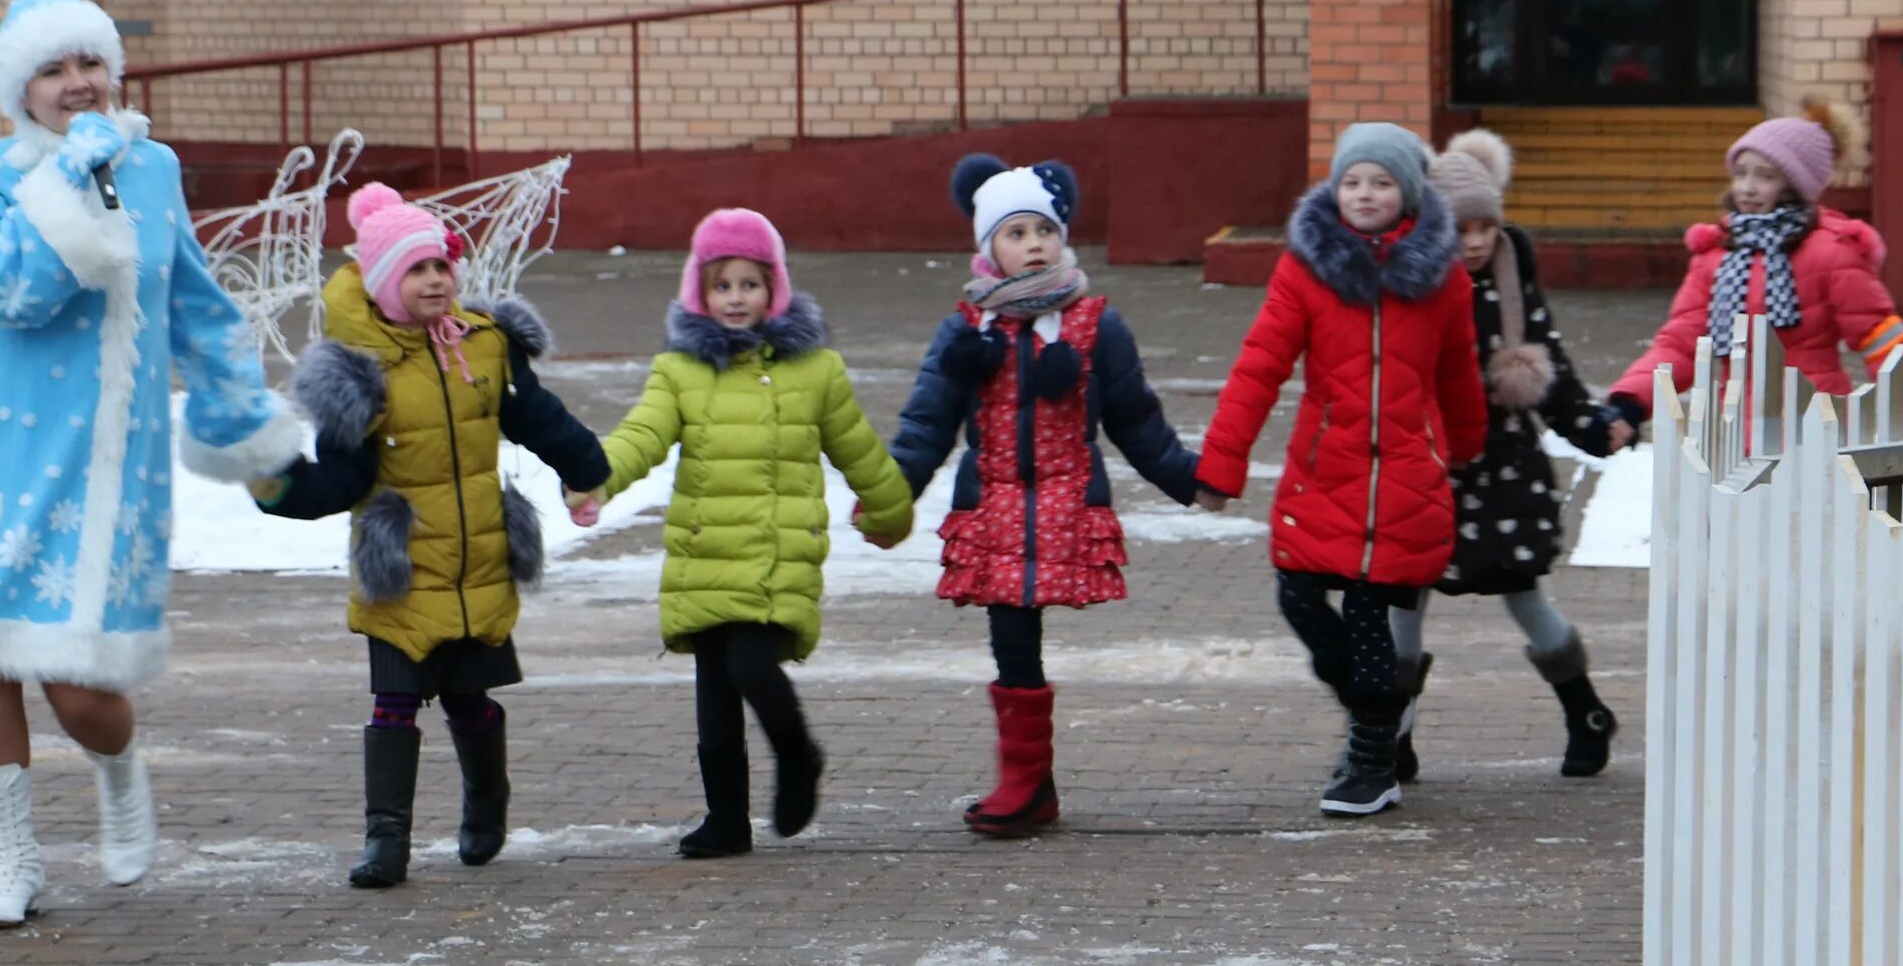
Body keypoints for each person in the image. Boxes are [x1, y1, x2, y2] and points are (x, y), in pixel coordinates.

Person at [0, 0, 303, 928]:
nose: (76, 84)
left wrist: (245, 419)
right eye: (53, 69)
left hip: (113, 452)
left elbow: (192, 297)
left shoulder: (151, 167)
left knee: (82, 689)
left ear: (113, 73)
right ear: (20, 89)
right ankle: (15, 862)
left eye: (89, 64)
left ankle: (117, 771)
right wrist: (61, 184)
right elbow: (5, 287)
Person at [246, 183, 614, 889]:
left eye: (443, 264)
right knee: (394, 702)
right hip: (403, 566)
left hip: (477, 555)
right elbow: (345, 478)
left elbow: (535, 418)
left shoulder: (483, 345)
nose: (436, 279)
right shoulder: (360, 371)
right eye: (416, 269)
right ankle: (387, 838)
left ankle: (486, 803)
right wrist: (277, 484)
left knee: (470, 700)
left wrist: (585, 469)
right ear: (384, 283)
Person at [570, 208, 914, 858]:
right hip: (705, 551)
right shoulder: (680, 372)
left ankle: (797, 753)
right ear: (699, 291)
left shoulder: (817, 371)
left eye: (749, 284)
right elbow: (642, 435)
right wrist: (596, 478)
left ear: (774, 288)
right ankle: (726, 819)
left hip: (776, 554)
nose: (735, 298)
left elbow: (859, 449)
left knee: (751, 663)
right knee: (713, 689)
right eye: (721, 285)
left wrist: (890, 511)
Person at [889, 154, 1200, 838]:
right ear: (989, 249)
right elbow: (926, 423)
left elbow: (1136, 420)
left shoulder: (1095, 327)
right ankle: (1027, 781)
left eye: (1044, 231)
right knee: (1011, 640)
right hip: (995, 510)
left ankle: (1030, 784)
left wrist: (1191, 479)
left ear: (1063, 239)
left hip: (1064, 507)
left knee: (1021, 640)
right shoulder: (968, 331)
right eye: (1016, 233)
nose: (1034, 244)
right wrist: (890, 493)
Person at [1193, 124, 1487, 818]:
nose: (1365, 194)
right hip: (1325, 472)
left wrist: (1465, 456)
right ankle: (1377, 710)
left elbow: (1459, 375)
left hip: (1407, 479)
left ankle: (1371, 759)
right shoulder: (1306, 268)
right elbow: (1259, 366)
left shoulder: (1442, 277)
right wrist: (1221, 463)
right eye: (1352, 181)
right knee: (1298, 597)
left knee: (1365, 613)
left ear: (1407, 193)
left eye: (1381, 183)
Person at [1394, 130, 1625, 778]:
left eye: (1486, 227)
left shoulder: (1511, 276)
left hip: (1503, 465)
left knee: (1522, 589)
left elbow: (1547, 360)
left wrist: (1588, 424)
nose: (1474, 241)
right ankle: (1392, 733)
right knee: (1402, 597)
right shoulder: (1413, 281)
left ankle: (1586, 712)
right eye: (1461, 228)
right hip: (1427, 464)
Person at [1607, 103, 1903, 433]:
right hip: (1734, 432)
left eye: (1765, 176)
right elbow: (1682, 343)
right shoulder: (1717, 254)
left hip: (1813, 427)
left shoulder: (1831, 253)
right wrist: (1629, 402)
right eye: (1741, 173)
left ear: (1795, 186)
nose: (1747, 187)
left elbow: (1880, 336)